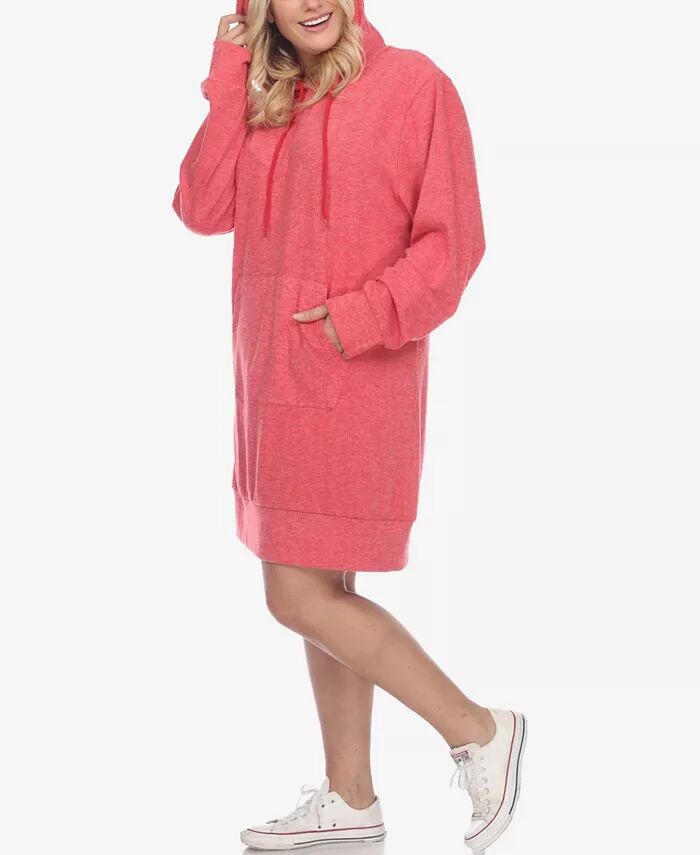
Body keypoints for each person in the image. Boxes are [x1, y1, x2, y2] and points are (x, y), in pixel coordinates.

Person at [172, 1, 527, 850]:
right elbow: (200, 205)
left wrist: (356, 318)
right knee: (322, 594)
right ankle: (351, 797)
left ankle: (480, 729)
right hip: (271, 389)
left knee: (296, 595)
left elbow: (454, 244)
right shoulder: (266, 100)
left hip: (359, 381)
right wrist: (229, 75)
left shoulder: (415, 86)